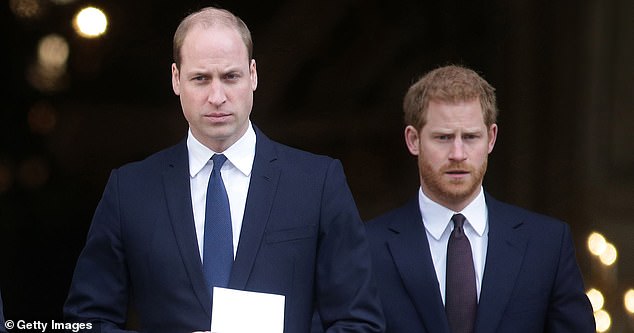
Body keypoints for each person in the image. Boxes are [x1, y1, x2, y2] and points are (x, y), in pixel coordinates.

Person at [63, 6, 384, 333]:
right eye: (200, 79)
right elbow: (87, 321)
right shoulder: (129, 190)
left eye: (230, 77)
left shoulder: (317, 183)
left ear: (253, 74)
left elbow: (358, 321)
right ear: (176, 79)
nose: (217, 96)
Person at [365, 65, 595, 333]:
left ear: (491, 138)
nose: (458, 153)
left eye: (471, 137)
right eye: (443, 137)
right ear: (413, 140)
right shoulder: (366, 248)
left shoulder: (546, 245)